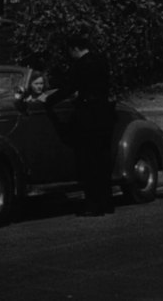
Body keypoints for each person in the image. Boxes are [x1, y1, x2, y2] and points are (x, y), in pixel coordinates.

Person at [46, 34, 116, 217]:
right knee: (103, 161)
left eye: (70, 51)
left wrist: (49, 100)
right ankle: (107, 203)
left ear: (75, 49)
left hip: (88, 115)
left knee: (88, 161)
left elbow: (70, 87)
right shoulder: (101, 61)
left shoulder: (81, 65)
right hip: (104, 114)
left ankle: (92, 205)